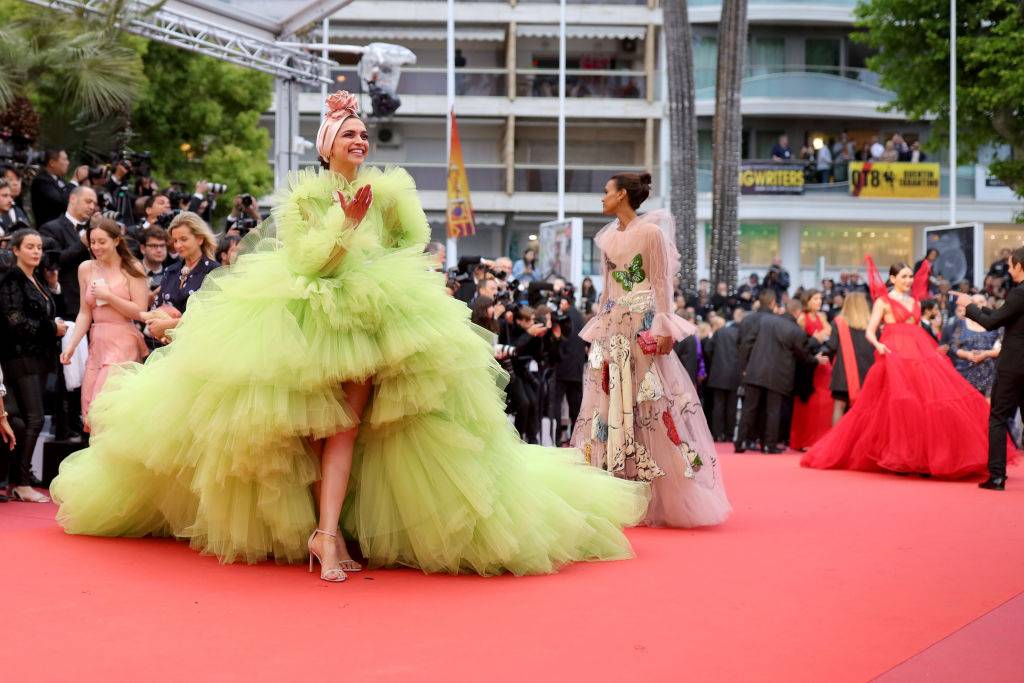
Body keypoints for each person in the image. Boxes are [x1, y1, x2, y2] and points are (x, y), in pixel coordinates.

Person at [50, 91, 648, 581]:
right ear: (327, 146)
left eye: (363, 133)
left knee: (351, 427)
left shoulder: (388, 194)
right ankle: (324, 532)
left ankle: (329, 532)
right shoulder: (306, 197)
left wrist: (375, 245)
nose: (359, 141)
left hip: (376, 320)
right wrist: (346, 226)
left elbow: (404, 251)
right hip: (305, 318)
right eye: (348, 134)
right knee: (315, 432)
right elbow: (313, 266)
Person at [570, 171, 730, 528]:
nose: (602, 198)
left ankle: (657, 492)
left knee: (652, 406)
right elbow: (607, 289)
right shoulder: (607, 237)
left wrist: (663, 328)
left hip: (642, 327)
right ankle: (615, 488)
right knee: (607, 405)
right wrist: (599, 329)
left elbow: (660, 283)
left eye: (606, 191)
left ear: (622, 195)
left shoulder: (651, 233)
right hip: (613, 330)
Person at [802, 258, 1016, 478]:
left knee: (923, 404)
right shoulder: (883, 301)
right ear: (893, 278)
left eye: (910, 276)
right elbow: (870, 330)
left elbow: (917, 330)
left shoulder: (915, 301)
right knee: (896, 406)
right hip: (893, 355)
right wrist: (879, 345)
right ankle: (898, 457)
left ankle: (922, 458)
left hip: (918, 355)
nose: (908, 280)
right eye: (903, 276)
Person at [59, 216, 148, 429]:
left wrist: (109, 297)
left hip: (123, 340)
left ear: (116, 241)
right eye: (92, 242)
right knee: (89, 410)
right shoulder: (86, 268)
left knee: (104, 407)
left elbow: (140, 311)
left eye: (102, 241)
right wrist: (71, 346)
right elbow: (84, 313)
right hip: (96, 343)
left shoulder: (132, 267)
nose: (96, 247)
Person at [0, 229, 67, 502]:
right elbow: (14, 321)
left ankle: (17, 479)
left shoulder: (36, 277)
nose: (36, 252)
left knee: (28, 419)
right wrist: (52, 328)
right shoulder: (11, 279)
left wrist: (52, 285)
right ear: (16, 250)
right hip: (18, 356)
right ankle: (21, 481)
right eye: (30, 246)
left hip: (37, 357)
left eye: (39, 247)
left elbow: (48, 309)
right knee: (35, 418)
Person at [953, 246, 1024, 490]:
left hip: (1013, 365)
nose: (1008, 269)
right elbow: (1003, 315)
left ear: (1019, 266)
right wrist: (977, 305)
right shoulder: (1018, 296)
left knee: (997, 418)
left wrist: (968, 306)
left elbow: (992, 323)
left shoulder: (1018, 293)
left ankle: (996, 476)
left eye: (1011, 265)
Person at [735, 290, 816, 453]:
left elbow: (747, 344)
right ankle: (768, 445)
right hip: (779, 376)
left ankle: (740, 442)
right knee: (773, 410)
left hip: (755, 370)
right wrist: (816, 358)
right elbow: (804, 356)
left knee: (749, 408)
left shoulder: (765, 321)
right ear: (798, 312)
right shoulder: (796, 331)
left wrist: (745, 367)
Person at [145, 212, 220, 343]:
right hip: (168, 348)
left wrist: (169, 326)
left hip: (201, 346)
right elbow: (156, 309)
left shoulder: (215, 271)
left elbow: (214, 315)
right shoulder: (170, 271)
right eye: (175, 241)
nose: (178, 245)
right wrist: (162, 334)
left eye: (183, 239)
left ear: (200, 239)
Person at [820, 292, 874, 425]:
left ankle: (837, 442)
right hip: (867, 372)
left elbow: (831, 346)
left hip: (844, 372)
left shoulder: (839, 322)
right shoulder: (872, 324)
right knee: (865, 409)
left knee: (839, 406)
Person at [790, 290, 834, 450]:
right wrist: (817, 338)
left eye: (820, 298)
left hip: (824, 363)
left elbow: (829, 332)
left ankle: (821, 440)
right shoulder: (802, 317)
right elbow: (800, 343)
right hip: (810, 364)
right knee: (809, 401)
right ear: (807, 301)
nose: (818, 301)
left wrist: (821, 335)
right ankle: (806, 440)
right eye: (815, 299)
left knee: (826, 400)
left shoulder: (822, 317)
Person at [946, 293, 1001, 398]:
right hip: (964, 371)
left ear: (987, 304)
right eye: (974, 303)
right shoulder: (961, 322)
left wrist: (985, 354)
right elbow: (953, 346)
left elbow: (1003, 348)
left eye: (981, 302)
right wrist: (967, 355)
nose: (978, 305)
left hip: (989, 373)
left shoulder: (996, 324)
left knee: (987, 410)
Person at [704, 311, 741, 442]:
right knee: (732, 406)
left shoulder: (719, 333)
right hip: (734, 374)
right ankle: (730, 433)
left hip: (718, 373)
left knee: (718, 405)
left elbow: (708, 349)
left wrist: (714, 362)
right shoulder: (738, 334)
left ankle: (717, 433)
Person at [30, 149, 72, 227]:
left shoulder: (60, 179)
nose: (68, 162)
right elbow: (60, 202)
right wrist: (74, 182)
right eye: (64, 159)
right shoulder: (42, 181)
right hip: (48, 231)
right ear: (52, 163)